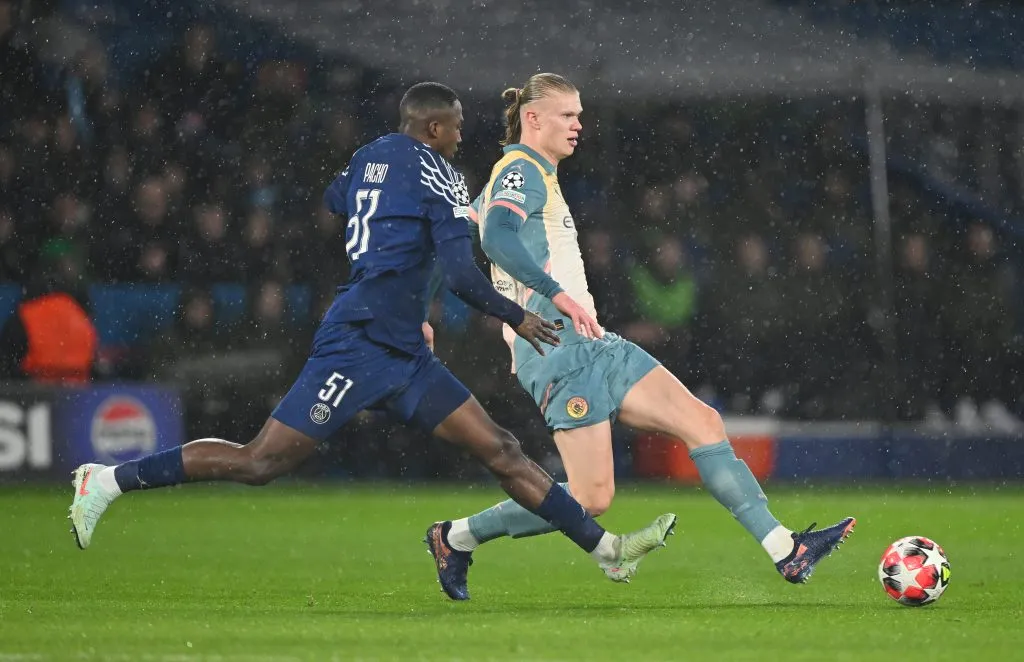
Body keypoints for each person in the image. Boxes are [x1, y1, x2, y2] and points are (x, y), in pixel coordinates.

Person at [68, 82, 676, 594]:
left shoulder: (369, 156)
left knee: (501, 449)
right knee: (260, 462)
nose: (463, 136)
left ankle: (605, 550)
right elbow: (463, 273)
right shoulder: (442, 177)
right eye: (457, 127)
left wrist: (405, 287)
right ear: (435, 129)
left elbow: (341, 201)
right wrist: (513, 316)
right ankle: (108, 480)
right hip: (357, 346)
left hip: (404, 351)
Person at [428, 74, 854, 600]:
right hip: (556, 350)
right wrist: (554, 293)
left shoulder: (525, 175)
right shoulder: (520, 169)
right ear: (533, 120)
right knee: (590, 496)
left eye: (579, 114)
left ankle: (786, 549)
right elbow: (493, 236)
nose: (578, 124)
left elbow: (458, 237)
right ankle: (455, 536)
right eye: (568, 115)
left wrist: (422, 304)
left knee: (703, 422)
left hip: (595, 343)